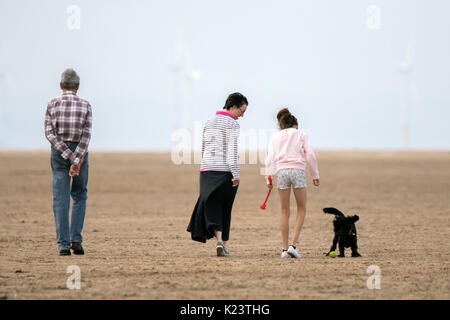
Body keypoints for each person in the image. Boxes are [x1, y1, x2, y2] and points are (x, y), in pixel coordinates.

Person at [187, 92, 247, 256]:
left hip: (206, 170)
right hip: (225, 172)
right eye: (242, 111)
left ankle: (219, 242)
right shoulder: (233, 124)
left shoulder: (209, 121)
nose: (242, 116)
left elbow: (204, 147)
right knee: (225, 208)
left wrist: (206, 164)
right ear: (233, 107)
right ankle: (223, 245)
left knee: (211, 206)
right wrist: (236, 174)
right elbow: (231, 152)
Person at [44, 68, 92, 256]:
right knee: (79, 195)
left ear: (61, 85)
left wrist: (67, 155)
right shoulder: (86, 105)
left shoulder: (52, 104)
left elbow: (50, 134)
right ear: (78, 86)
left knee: (60, 198)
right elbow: (86, 136)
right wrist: (77, 158)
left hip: (58, 154)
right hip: (81, 153)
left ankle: (63, 245)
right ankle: (76, 239)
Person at [265, 108, 320, 259]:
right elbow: (310, 155)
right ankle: (293, 245)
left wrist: (268, 178)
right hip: (297, 172)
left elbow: (269, 158)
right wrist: (315, 174)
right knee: (301, 209)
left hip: (282, 172)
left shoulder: (275, 137)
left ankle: (284, 249)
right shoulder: (301, 134)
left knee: (284, 211)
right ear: (295, 125)